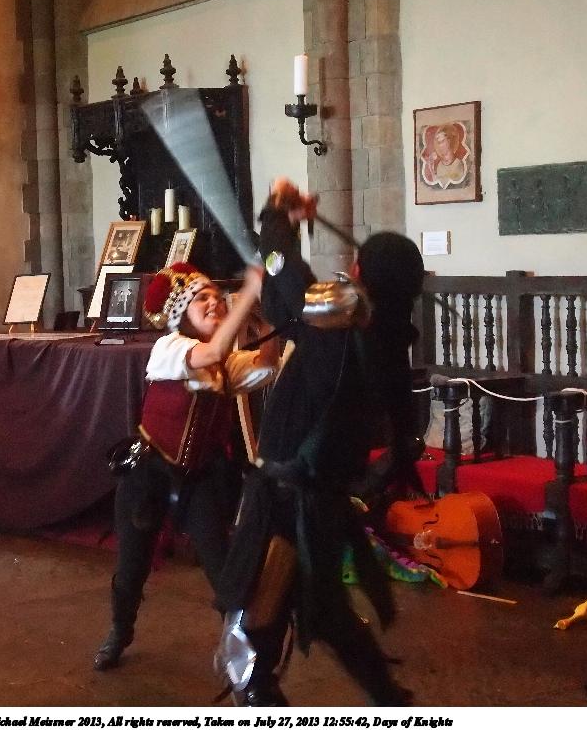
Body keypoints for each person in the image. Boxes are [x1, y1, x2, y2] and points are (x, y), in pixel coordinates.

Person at [213, 178, 425, 707]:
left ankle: (264, 701)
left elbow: (281, 271)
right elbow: (286, 298)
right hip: (323, 499)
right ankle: (390, 699)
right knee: (326, 611)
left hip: (287, 502)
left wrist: (278, 212)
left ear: (359, 273)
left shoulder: (336, 332)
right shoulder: (390, 340)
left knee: (254, 624)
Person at [93, 261, 279, 671]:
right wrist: (248, 292)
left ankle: (243, 650)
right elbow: (210, 351)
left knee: (223, 567)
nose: (214, 304)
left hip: (199, 476)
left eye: (217, 298)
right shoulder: (170, 347)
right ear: (180, 314)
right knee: (131, 567)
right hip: (149, 472)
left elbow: (267, 363)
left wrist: (262, 313)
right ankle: (120, 630)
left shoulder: (225, 363)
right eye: (201, 299)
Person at [427, 123, 467, 188]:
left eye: (442, 141)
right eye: (439, 143)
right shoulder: (439, 166)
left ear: (449, 141)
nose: (440, 146)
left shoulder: (457, 164)